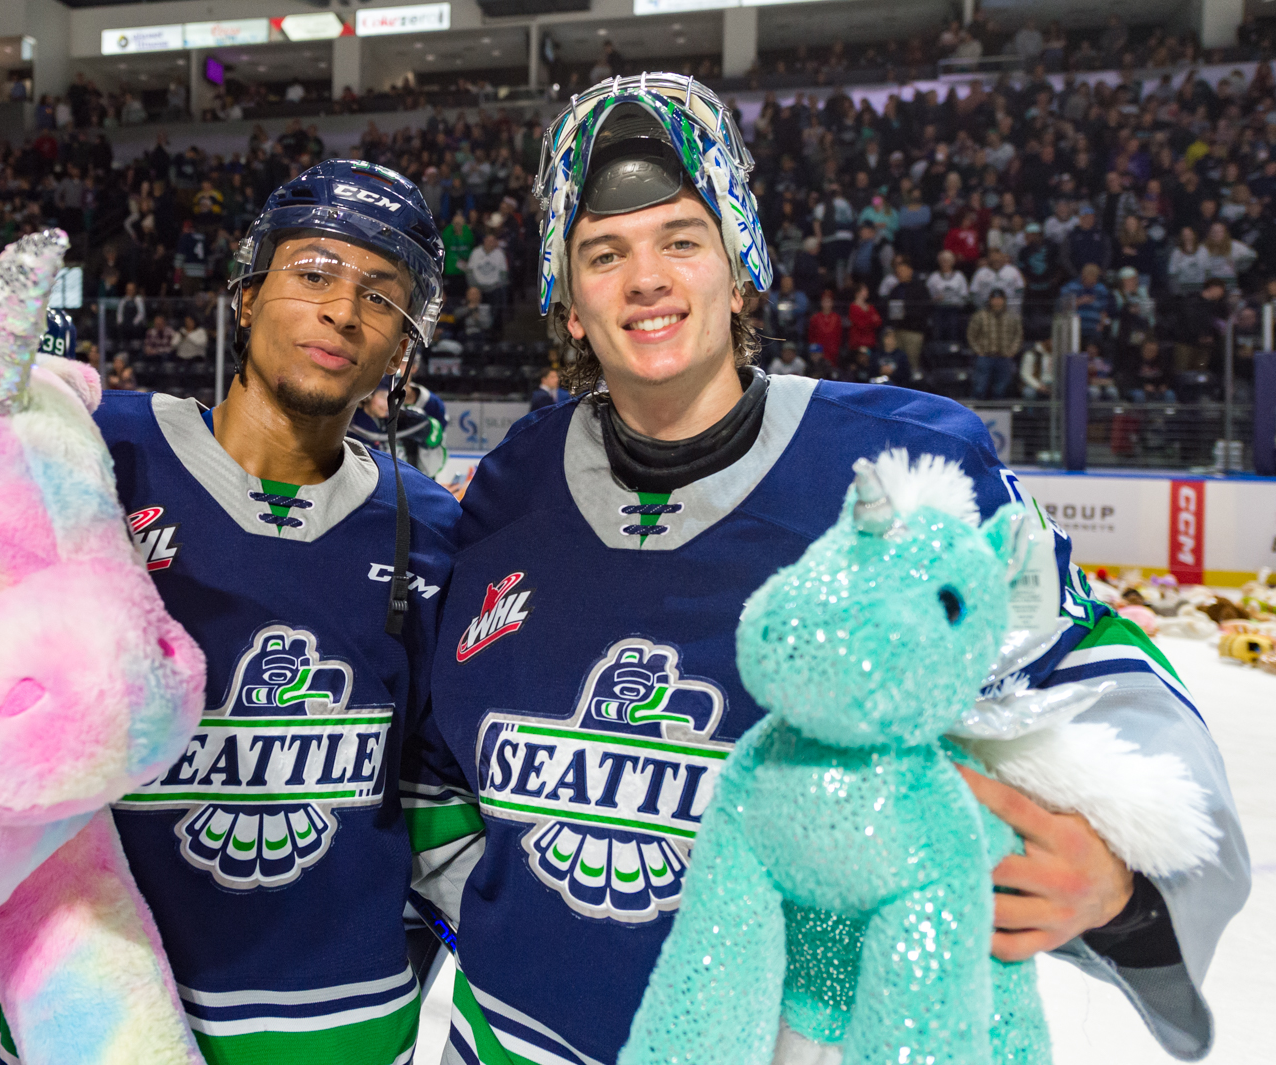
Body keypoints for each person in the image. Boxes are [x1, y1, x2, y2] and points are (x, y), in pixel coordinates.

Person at [405, 73, 1247, 1065]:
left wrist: (1128, 892)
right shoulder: (509, 490)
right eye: (604, 254)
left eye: (681, 238)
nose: (646, 279)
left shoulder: (901, 470)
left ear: (739, 263)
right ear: (568, 300)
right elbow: (432, 759)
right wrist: (516, 920)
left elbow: (1103, 695)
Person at [0, 161, 460, 1065]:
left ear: (403, 343)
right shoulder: (99, 451)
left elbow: (436, 782)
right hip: (71, 1017)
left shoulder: (431, 526)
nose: (343, 310)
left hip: (335, 1033)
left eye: (380, 295)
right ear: (246, 290)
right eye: (313, 273)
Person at [968, 288, 1023, 399]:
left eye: (999, 299)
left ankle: (998, 415)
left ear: (1004, 300)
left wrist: (1013, 350)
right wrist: (978, 350)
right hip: (985, 357)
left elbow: (1018, 335)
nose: (997, 301)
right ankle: (977, 413)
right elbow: (971, 335)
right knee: (979, 388)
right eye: (994, 299)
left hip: (1004, 357)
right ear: (990, 300)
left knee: (1001, 389)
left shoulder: (1013, 316)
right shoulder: (980, 316)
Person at [927, 249, 970, 345]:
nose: (945, 263)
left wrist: (955, 299)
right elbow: (927, 296)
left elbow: (965, 296)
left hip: (954, 310)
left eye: (947, 260)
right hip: (939, 310)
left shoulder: (959, 276)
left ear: (953, 262)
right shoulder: (933, 277)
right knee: (938, 333)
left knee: (953, 331)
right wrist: (935, 299)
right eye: (943, 260)